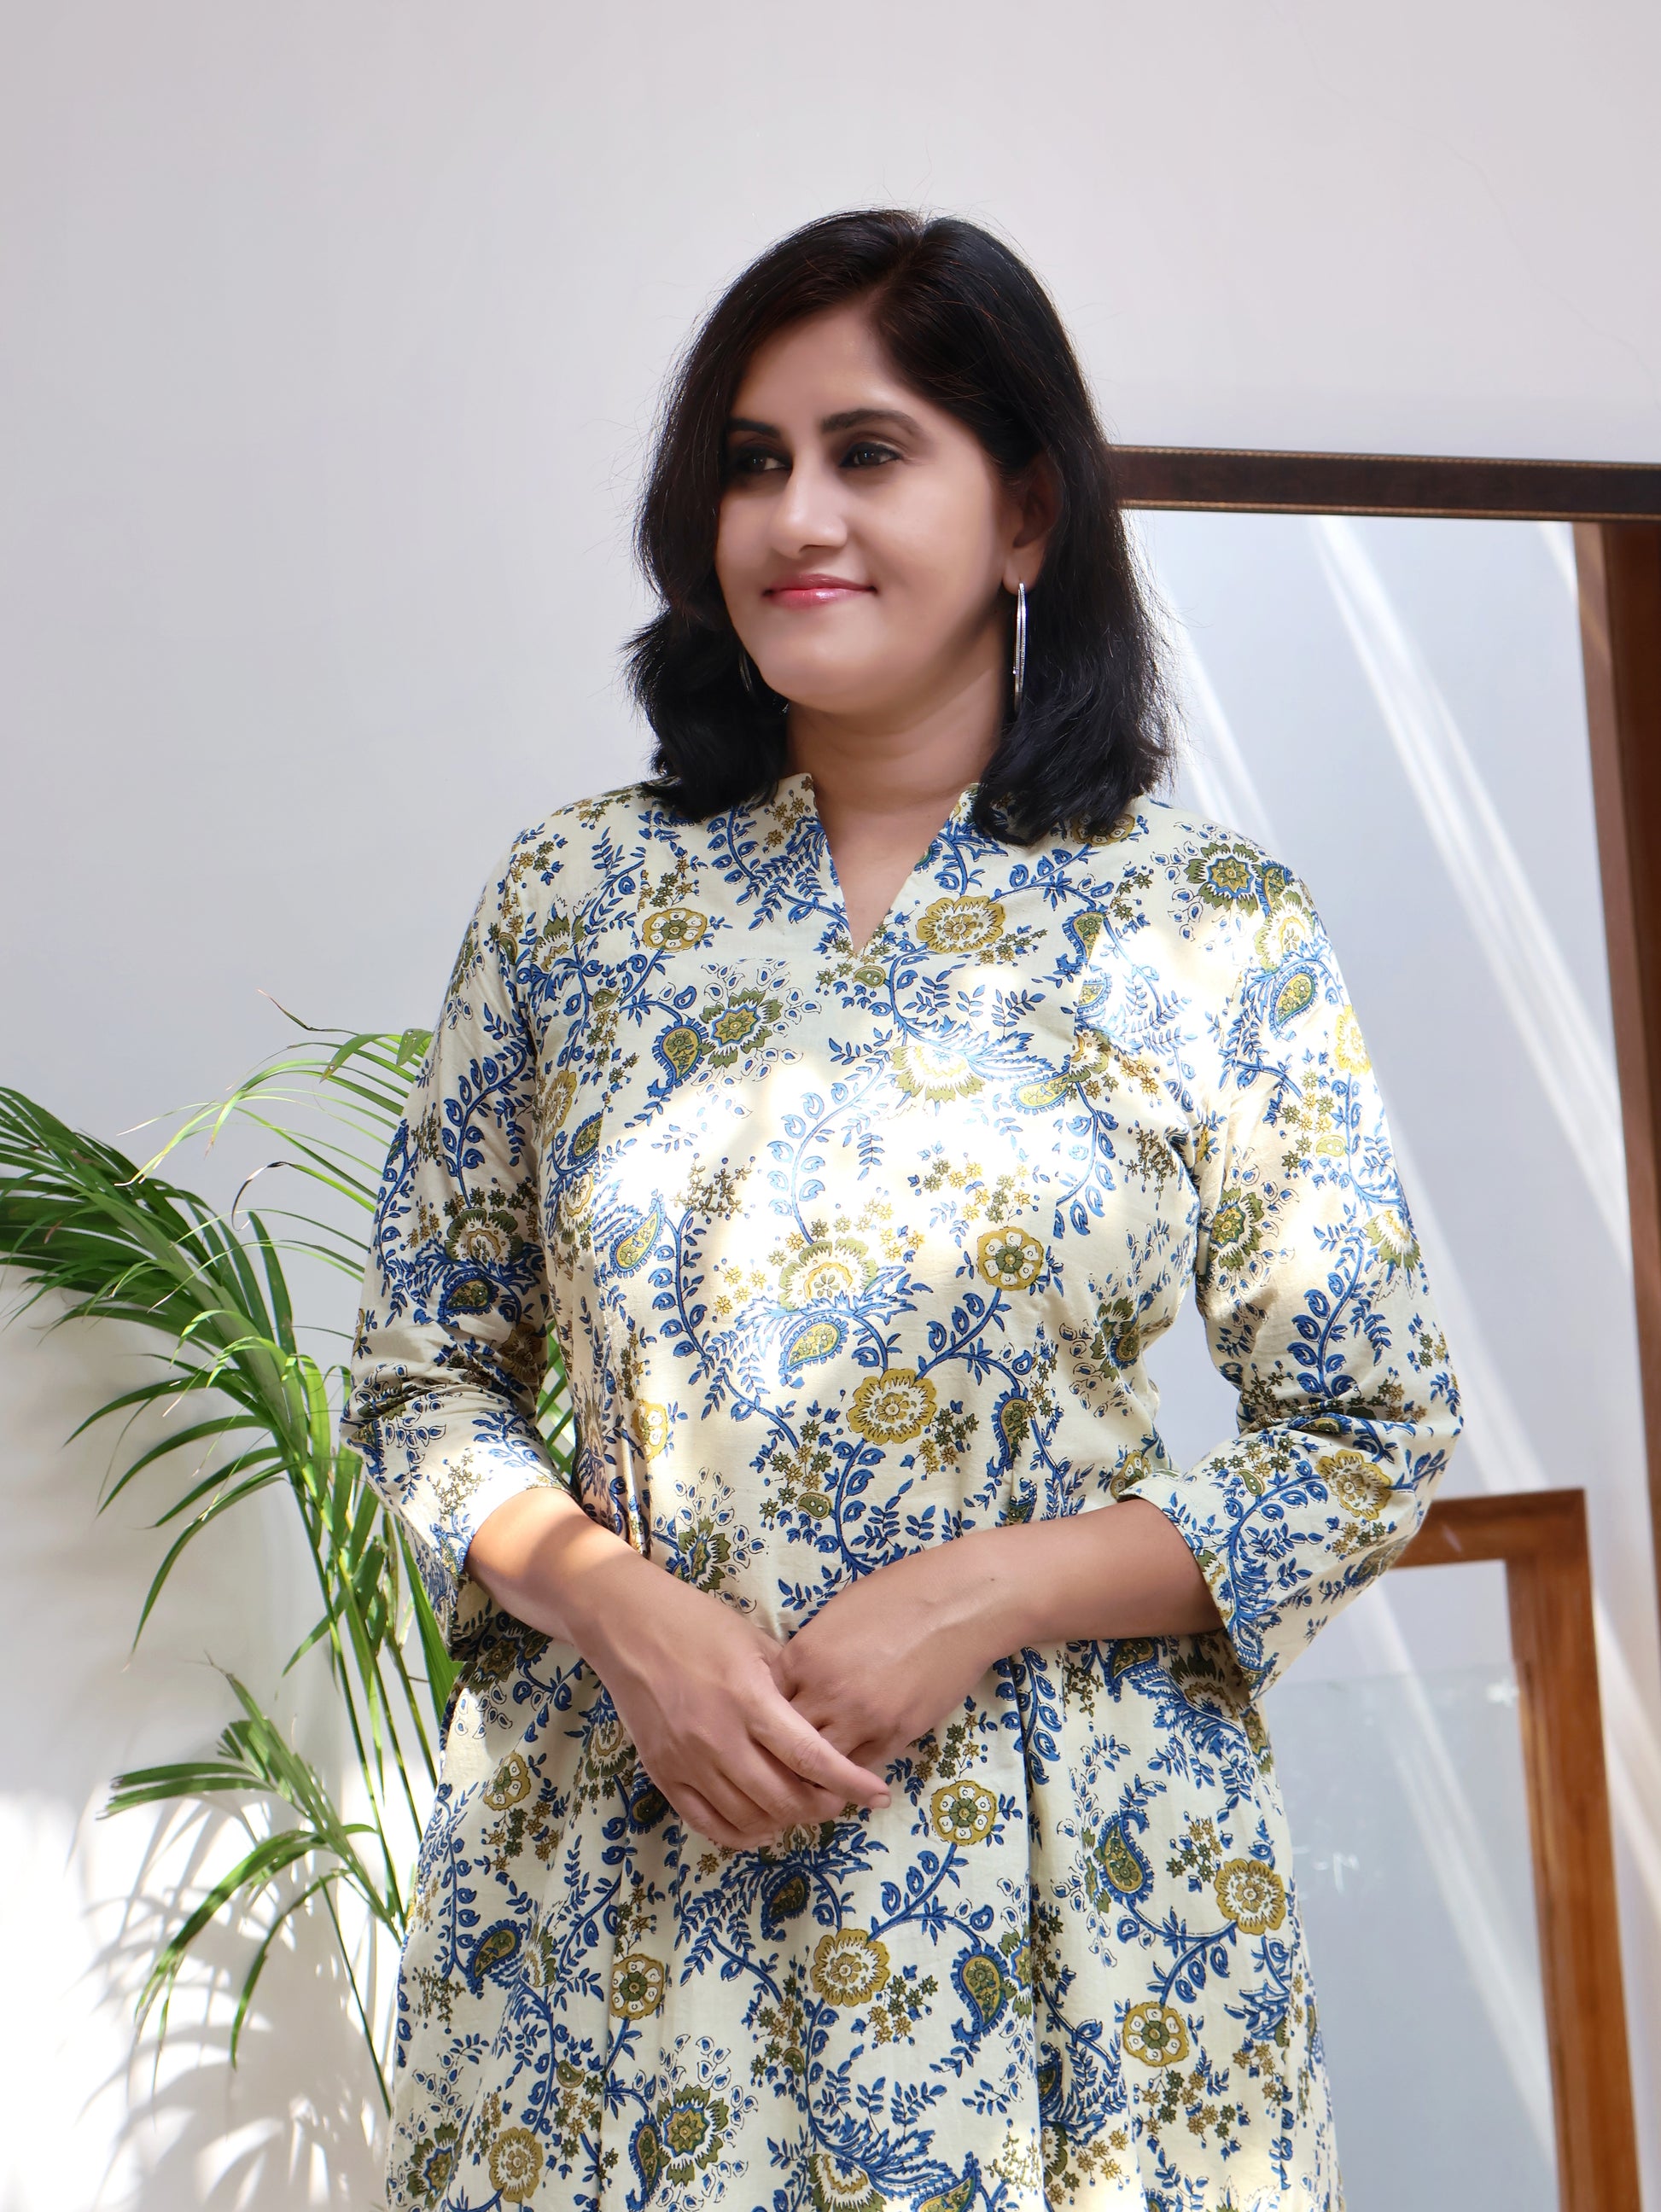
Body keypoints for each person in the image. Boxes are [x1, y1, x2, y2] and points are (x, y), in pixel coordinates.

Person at [347, 208, 1461, 2212]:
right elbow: (422, 1376)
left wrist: (983, 1593)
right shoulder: (573, 904)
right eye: (750, 462)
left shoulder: (1206, 931)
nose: (796, 516)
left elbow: (1364, 1436)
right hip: (623, 1888)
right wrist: (615, 1612)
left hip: (1077, 1907)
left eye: (867, 452)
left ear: (1024, 513)